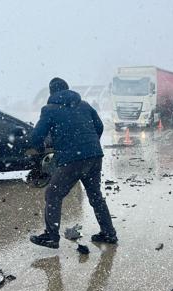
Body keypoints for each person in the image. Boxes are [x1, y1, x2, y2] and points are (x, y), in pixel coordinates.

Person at [30, 77, 117, 249]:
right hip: (94, 156)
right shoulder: (84, 105)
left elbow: (36, 137)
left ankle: (51, 237)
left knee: (53, 194)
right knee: (95, 195)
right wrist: (89, 145)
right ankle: (108, 233)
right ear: (67, 89)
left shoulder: (49, 110)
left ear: (51, 92)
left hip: (72, 159)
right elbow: (99, 126)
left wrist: (42, 147)